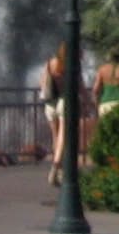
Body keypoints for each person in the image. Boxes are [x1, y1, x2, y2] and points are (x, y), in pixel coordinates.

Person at [39, 44, 69, 186]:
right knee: (63, 135)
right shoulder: (69, 65)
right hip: (63, 100)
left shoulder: (49, 63)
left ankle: (60, 170)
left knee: (55, 137)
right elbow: (78, 86)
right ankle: (56, 166)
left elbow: (41, 83)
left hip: (50, 102)